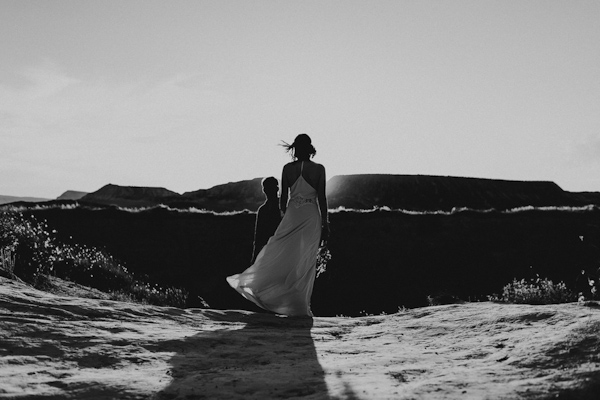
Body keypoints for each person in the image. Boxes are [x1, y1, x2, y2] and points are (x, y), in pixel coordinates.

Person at [227, 134, 329, 317]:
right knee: (305, 259)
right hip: (312, 216)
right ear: (310, 148)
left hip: (293, 214)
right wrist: (325, 224)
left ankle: (265, 288)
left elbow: (283, 199)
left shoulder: (287, 169)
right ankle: (301, 305)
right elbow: (321, 198)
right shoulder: (319, 169)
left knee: (282, 252)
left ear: (295, 149)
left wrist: (285, 217)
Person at [251, 177, 282, 263]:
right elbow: (258, 236)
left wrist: (255, 256)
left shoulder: (264, 210)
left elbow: (258, 237)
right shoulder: (285, 207)